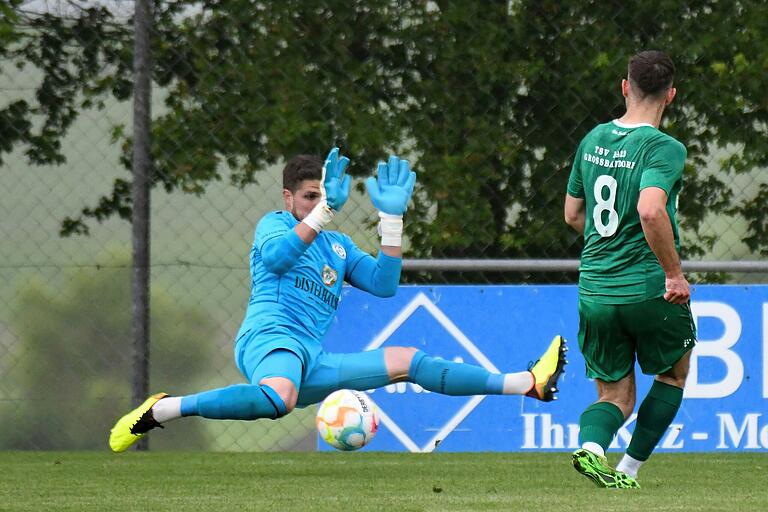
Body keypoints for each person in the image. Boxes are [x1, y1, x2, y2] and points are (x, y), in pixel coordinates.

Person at [109, 147, 567, 453]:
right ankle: (164, 408)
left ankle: (525, 383)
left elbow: (385, 284)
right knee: (281, 396)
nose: (316, 205)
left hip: (312, 357)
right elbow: (278, 256)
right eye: (310, 197)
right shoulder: (274, 225)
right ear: (289, 197)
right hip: (269, 340)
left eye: (322, 198)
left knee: (409, 359)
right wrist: (325, 212)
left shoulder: (339, 247)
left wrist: (392, 219)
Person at [564, 50, 695, 489]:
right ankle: (628, 469)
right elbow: (651, 209)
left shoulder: (593, 139)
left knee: (615, 397)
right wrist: (673, 274)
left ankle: (591, 448)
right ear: (671, 95)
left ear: (625, 87)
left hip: (595, 291)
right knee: (673, 375)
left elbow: (571, 214)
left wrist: (608, 248)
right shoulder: (664, 148)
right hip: (647, 289)